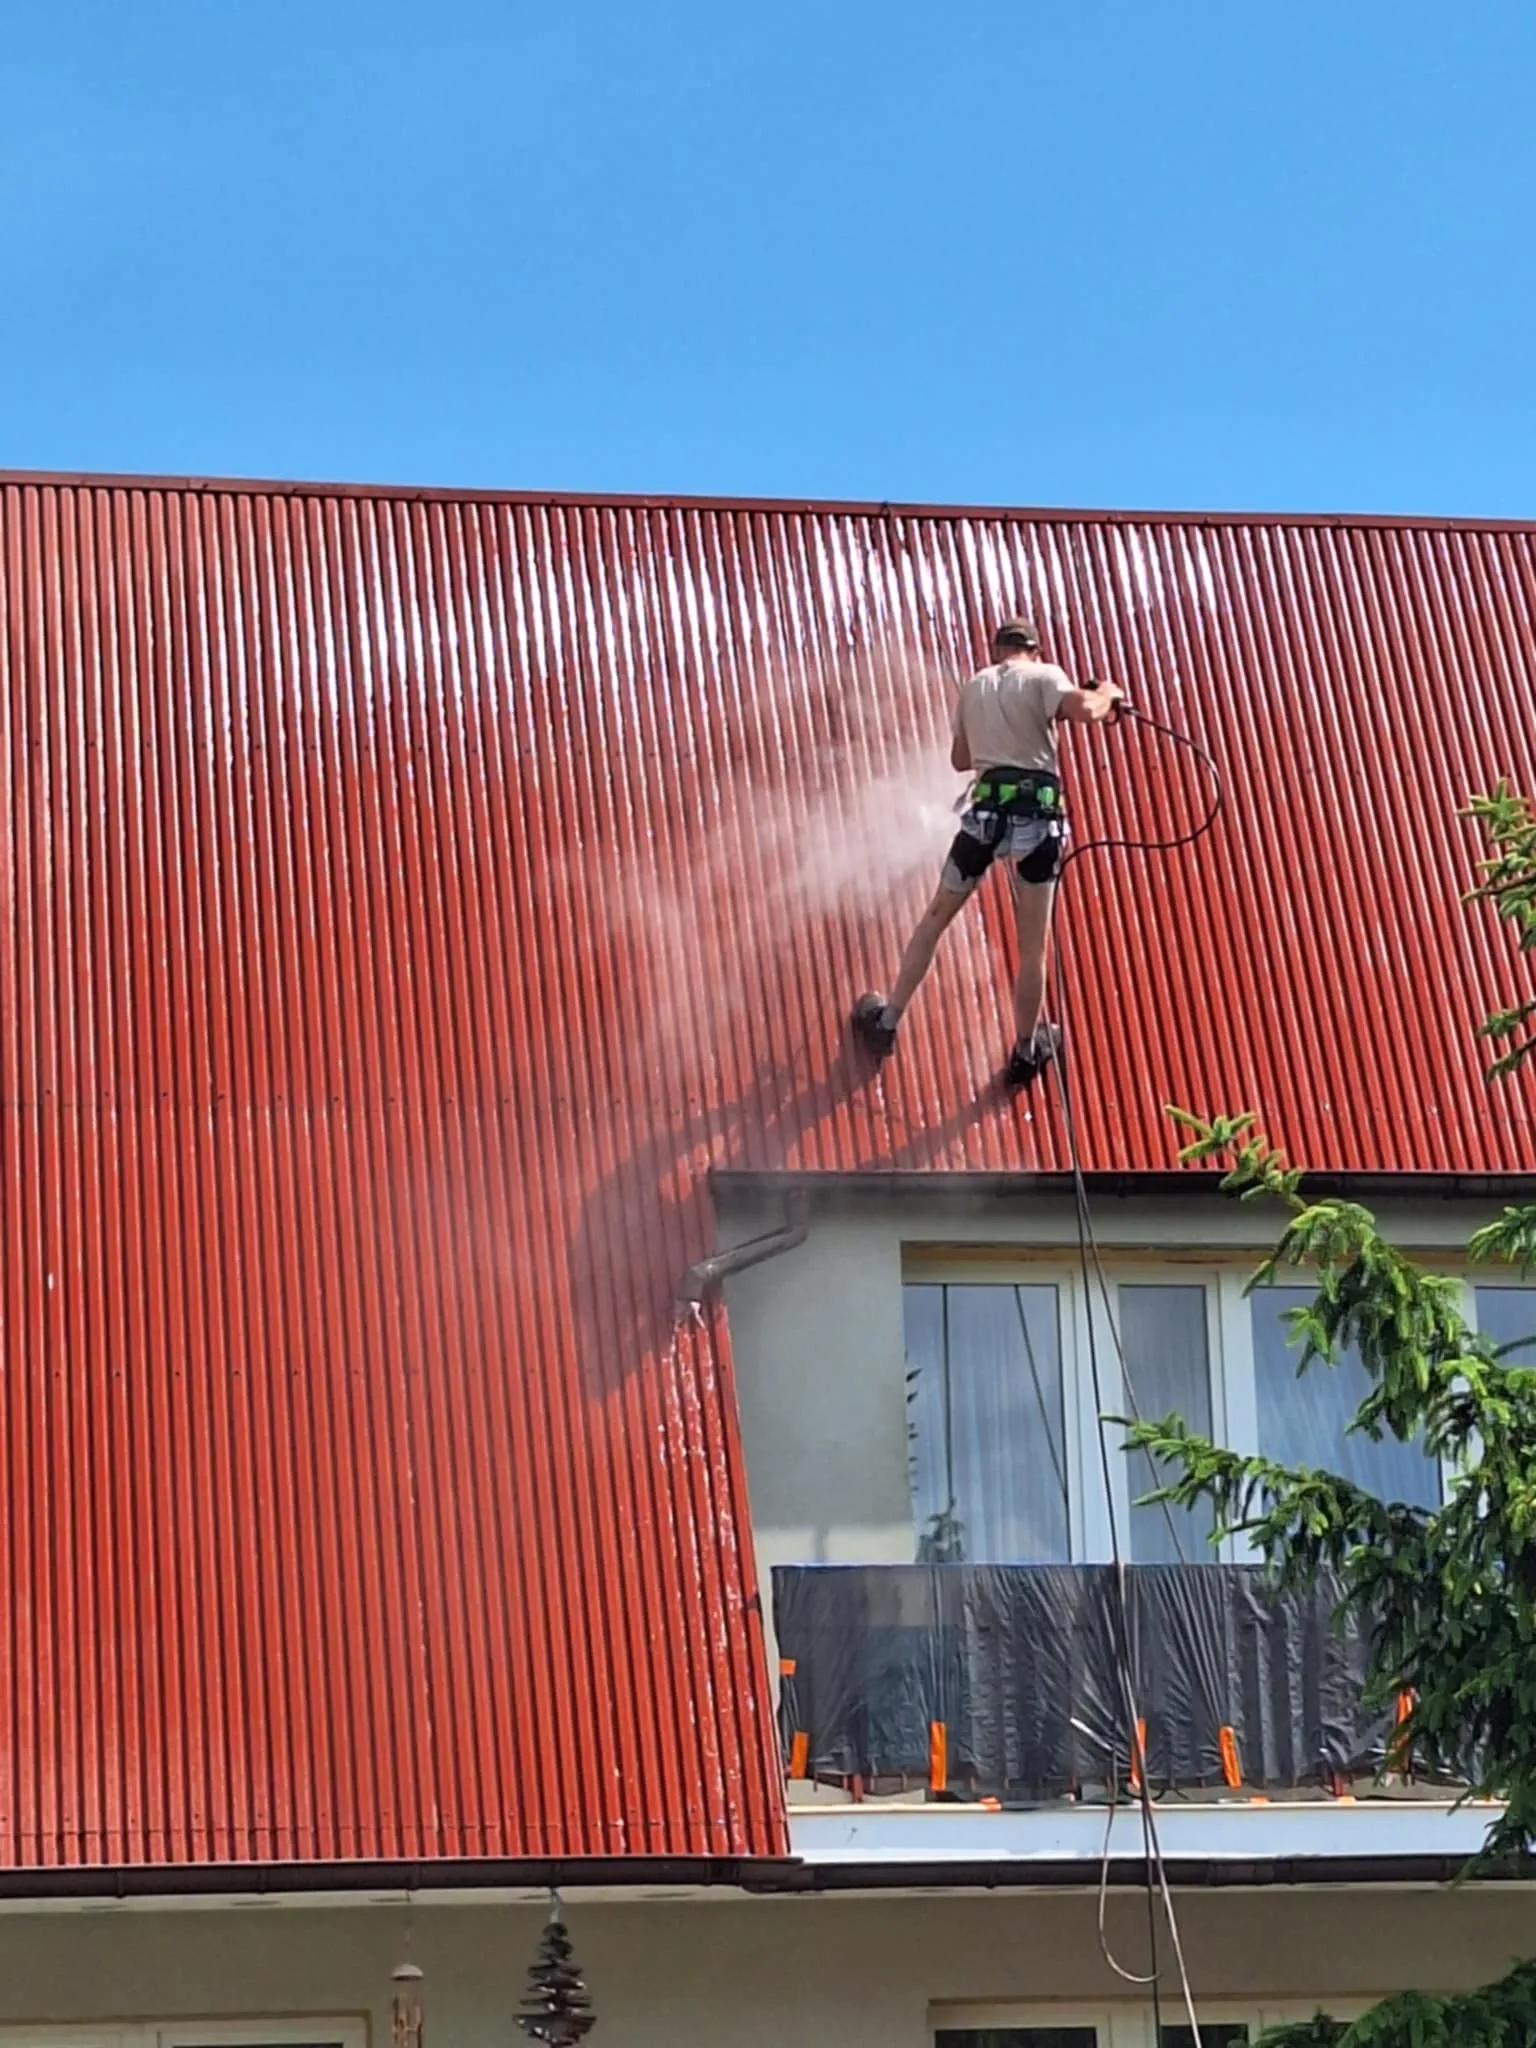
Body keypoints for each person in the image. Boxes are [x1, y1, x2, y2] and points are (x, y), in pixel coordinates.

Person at [852, 617, 1124, 1086]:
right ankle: (1025, 1051)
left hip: (985, 817)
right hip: (1038, 821)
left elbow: (961, 760)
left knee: (935, 918)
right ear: (1034, 650)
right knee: (1033, 947)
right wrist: (1108, 694)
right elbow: (1085, 708)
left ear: (996, 650)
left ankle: (888, 1021)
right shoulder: (1044, 675)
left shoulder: (975, 686)